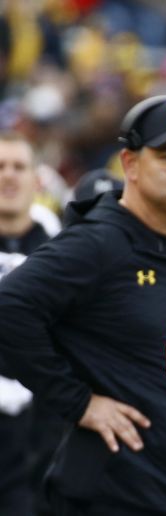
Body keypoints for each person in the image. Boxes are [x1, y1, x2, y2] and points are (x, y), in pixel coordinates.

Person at [0, 95, 166, 515]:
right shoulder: (97, 242)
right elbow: (9, 307)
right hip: (117, 494)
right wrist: (78, 401)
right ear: (130, 163)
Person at [0, 131, 56, 515]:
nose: (9, 176)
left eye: (19, 166)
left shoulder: (66, 251)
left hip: (44, 425)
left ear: (37, 179)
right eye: (0, 167)